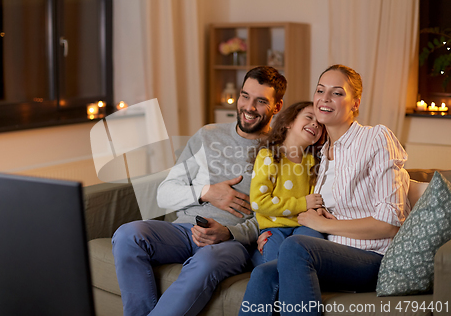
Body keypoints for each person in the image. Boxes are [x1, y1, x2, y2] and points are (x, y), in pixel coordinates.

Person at [112, 66, 286, 316]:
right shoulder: (208, 135)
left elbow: (274, 217)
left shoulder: (279, 152)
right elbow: (165, 192)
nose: (248, 107)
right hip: (183, 230)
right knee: (128, 234)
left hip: (230, 244)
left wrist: (228, 232)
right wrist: (206, 191)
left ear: (277, 107)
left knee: (207, 261)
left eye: (260, 101)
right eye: (245, 96)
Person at [238, 64, 411, 316]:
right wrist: (266, 232)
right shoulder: (318, 155)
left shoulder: (375, 138)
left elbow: (390, 222)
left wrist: (323, 225)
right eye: (320, 90)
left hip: (369, 257)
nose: (325, 98)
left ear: (355, 103)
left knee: (296, 247)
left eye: (337, 93)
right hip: (323, 254)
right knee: (264, 272)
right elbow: (280, 202)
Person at [248, 101, 325, 267]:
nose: (315, 124)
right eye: (309, 117)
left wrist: (318, 210)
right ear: (289, 122)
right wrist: (302, 203)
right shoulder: (268, 156)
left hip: (304, 226)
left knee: (314, 251)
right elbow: (258, 202)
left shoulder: (313, 162)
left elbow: (315, 199)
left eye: (320, 123)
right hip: (275, 229)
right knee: (275, 265)